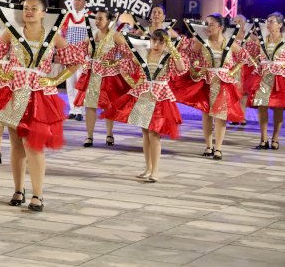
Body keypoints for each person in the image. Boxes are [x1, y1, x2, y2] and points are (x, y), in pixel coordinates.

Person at [0, 0, 82, 213]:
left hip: (39, 95)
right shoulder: (12, 32)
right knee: (17, 145)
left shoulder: (53, 36)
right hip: (14, 92)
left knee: (34, 146)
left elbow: (75, 60)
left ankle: (38, 194)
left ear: (43, 13)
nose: (28, 11)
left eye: (34, 8)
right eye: (26, 8)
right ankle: (18, 190)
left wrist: (55, 80)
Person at [102, 30, 186, 182]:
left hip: (160, 96)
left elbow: (181, 68)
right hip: (144, 95)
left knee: (154, 134)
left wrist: (173, 49)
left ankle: (155, 171)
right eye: (154, 41)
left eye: (161, 42)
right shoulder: (144, 54)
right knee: (146, 134)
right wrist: (115, 63)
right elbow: (126, 63)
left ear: (165, 43)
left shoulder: (168, 57)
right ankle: (147, 168)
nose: (157, 45)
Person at [180, 14, 247, 160]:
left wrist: (231, 72)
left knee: (221, 116)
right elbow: (188, 55)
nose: (208, 27)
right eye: (207, 24)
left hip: (223, 83)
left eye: (211, 24)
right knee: (207, 114)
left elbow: (244, 57)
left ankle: (218, 148)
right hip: (207, 82)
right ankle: (209, 146)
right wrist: (196, 69)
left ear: (220, 27)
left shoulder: (230, 43)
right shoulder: (201, 42)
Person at [73, 10, 130, 147]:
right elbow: (79, 49)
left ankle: (109, 133)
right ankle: (89, 136)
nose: (97, 21)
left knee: (108, 106)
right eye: (96, 19)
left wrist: (115, 62)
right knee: (90, 106)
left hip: (108, 76)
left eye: (100, 19)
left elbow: (129, 54)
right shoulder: (92, 35)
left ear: (109, 20)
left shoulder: (116, 36)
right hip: (92, 74)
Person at [248, 12, 285, 149]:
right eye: (268, 21)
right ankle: (263, 139)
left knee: (278, 108)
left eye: (272, 21)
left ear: (280, 25)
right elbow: (249, 53)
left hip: (280, 77)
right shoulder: (262, 39)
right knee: (262, 107)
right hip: (263, 76)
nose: (268, 24)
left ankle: (275, 138)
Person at [62, 0, 89, 121]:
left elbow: (92, 36)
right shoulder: (68, 15)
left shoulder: (89, 16)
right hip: (70, 54)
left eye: (79, 0)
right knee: (70, 82)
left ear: (85, 2)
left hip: (83, 55)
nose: (76, 2)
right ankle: (73, 109)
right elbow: (62, 33)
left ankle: (80, 110)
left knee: (81, 82)